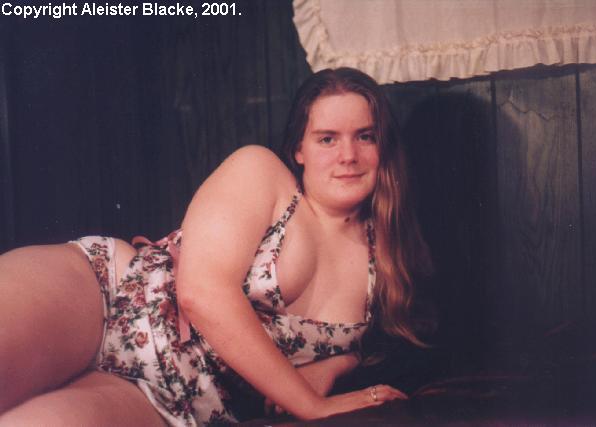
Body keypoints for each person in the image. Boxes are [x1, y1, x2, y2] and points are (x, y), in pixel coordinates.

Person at [0, 67, 432, 425]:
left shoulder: (388, 255)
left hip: (172, 397)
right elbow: (202, 293)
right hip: (107, 294)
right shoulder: (263, 173)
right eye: (327, 138)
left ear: (382, 146)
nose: (348, 155)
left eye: (365, 136)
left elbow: (396, 344)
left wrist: (338, 365)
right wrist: (310, 404)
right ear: (299, 149)